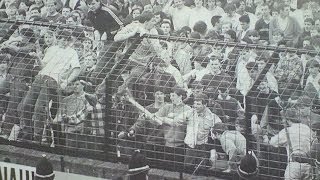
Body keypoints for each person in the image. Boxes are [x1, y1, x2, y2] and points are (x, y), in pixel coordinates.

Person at [19, 29, 81, 143]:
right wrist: (37, 57)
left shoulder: (72, 52)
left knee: (39, 108)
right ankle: (27, 133)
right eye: (61, 38)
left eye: (66, 39)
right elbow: (44, 65)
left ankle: (37, 138)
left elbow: (76, 70)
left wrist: (65, 82)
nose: (63, 41)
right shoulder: (52, 49)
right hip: (40, 77)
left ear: (69, 41)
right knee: (26, 105)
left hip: (53, 81)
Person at [268, 108, 313, 180]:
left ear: (288, 120)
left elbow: (272, 142)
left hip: (294, 165)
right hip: (308, 166)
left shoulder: (287, 131)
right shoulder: (307, 129)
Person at [184, 93, 222, 171]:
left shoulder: (212, 117)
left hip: (203, 148)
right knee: (187, 170)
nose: (195, 106)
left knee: (201, 171)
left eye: (198, 104)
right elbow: (177, 120)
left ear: (205, 104)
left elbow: (221, 130)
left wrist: (213, 149)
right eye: (194, 103)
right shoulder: (189, 113)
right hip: (190, 148)